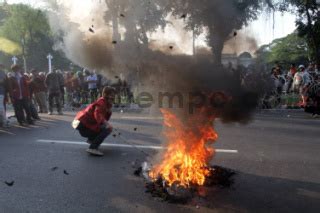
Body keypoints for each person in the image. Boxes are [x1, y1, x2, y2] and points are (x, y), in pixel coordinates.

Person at [73, 86, 115, 156]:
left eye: (113, 95)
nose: (113, 97)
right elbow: (97, 114)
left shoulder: (106, 103)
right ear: (105, 94)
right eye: (111, 95)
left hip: (87, 126)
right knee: (108, 129)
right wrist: (106, 123)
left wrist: (108, 112)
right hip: (84, 127)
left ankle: (92, 140)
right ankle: (92, 148)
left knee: (105, 127)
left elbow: (103, 118)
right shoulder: (101, 103)